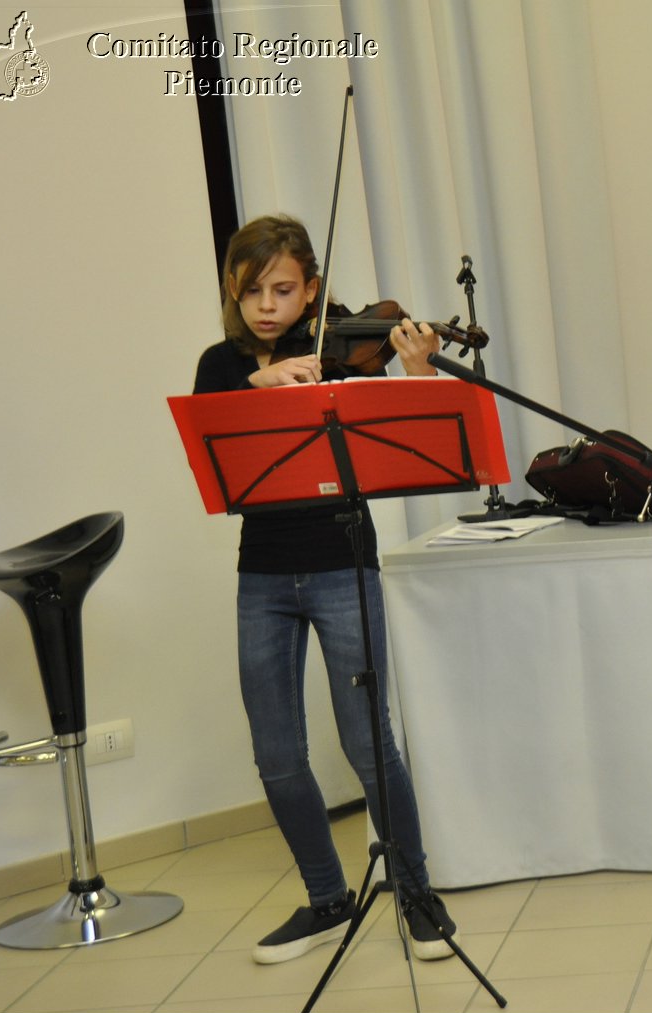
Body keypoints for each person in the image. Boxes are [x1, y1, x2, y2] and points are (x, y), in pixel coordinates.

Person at [192, 214, 456, 964]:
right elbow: (225, 464)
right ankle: (325, 899)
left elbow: (414, 434)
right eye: (251, 293)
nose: (267, 306)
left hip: (343, 562)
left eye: (283, 289)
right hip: (264, 577)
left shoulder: (339, 357)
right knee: (276, 751)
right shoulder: (219, 366)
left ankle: (416, 894)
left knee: (369, 742)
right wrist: (259, 382)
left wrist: (418, 366)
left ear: (312, 289)